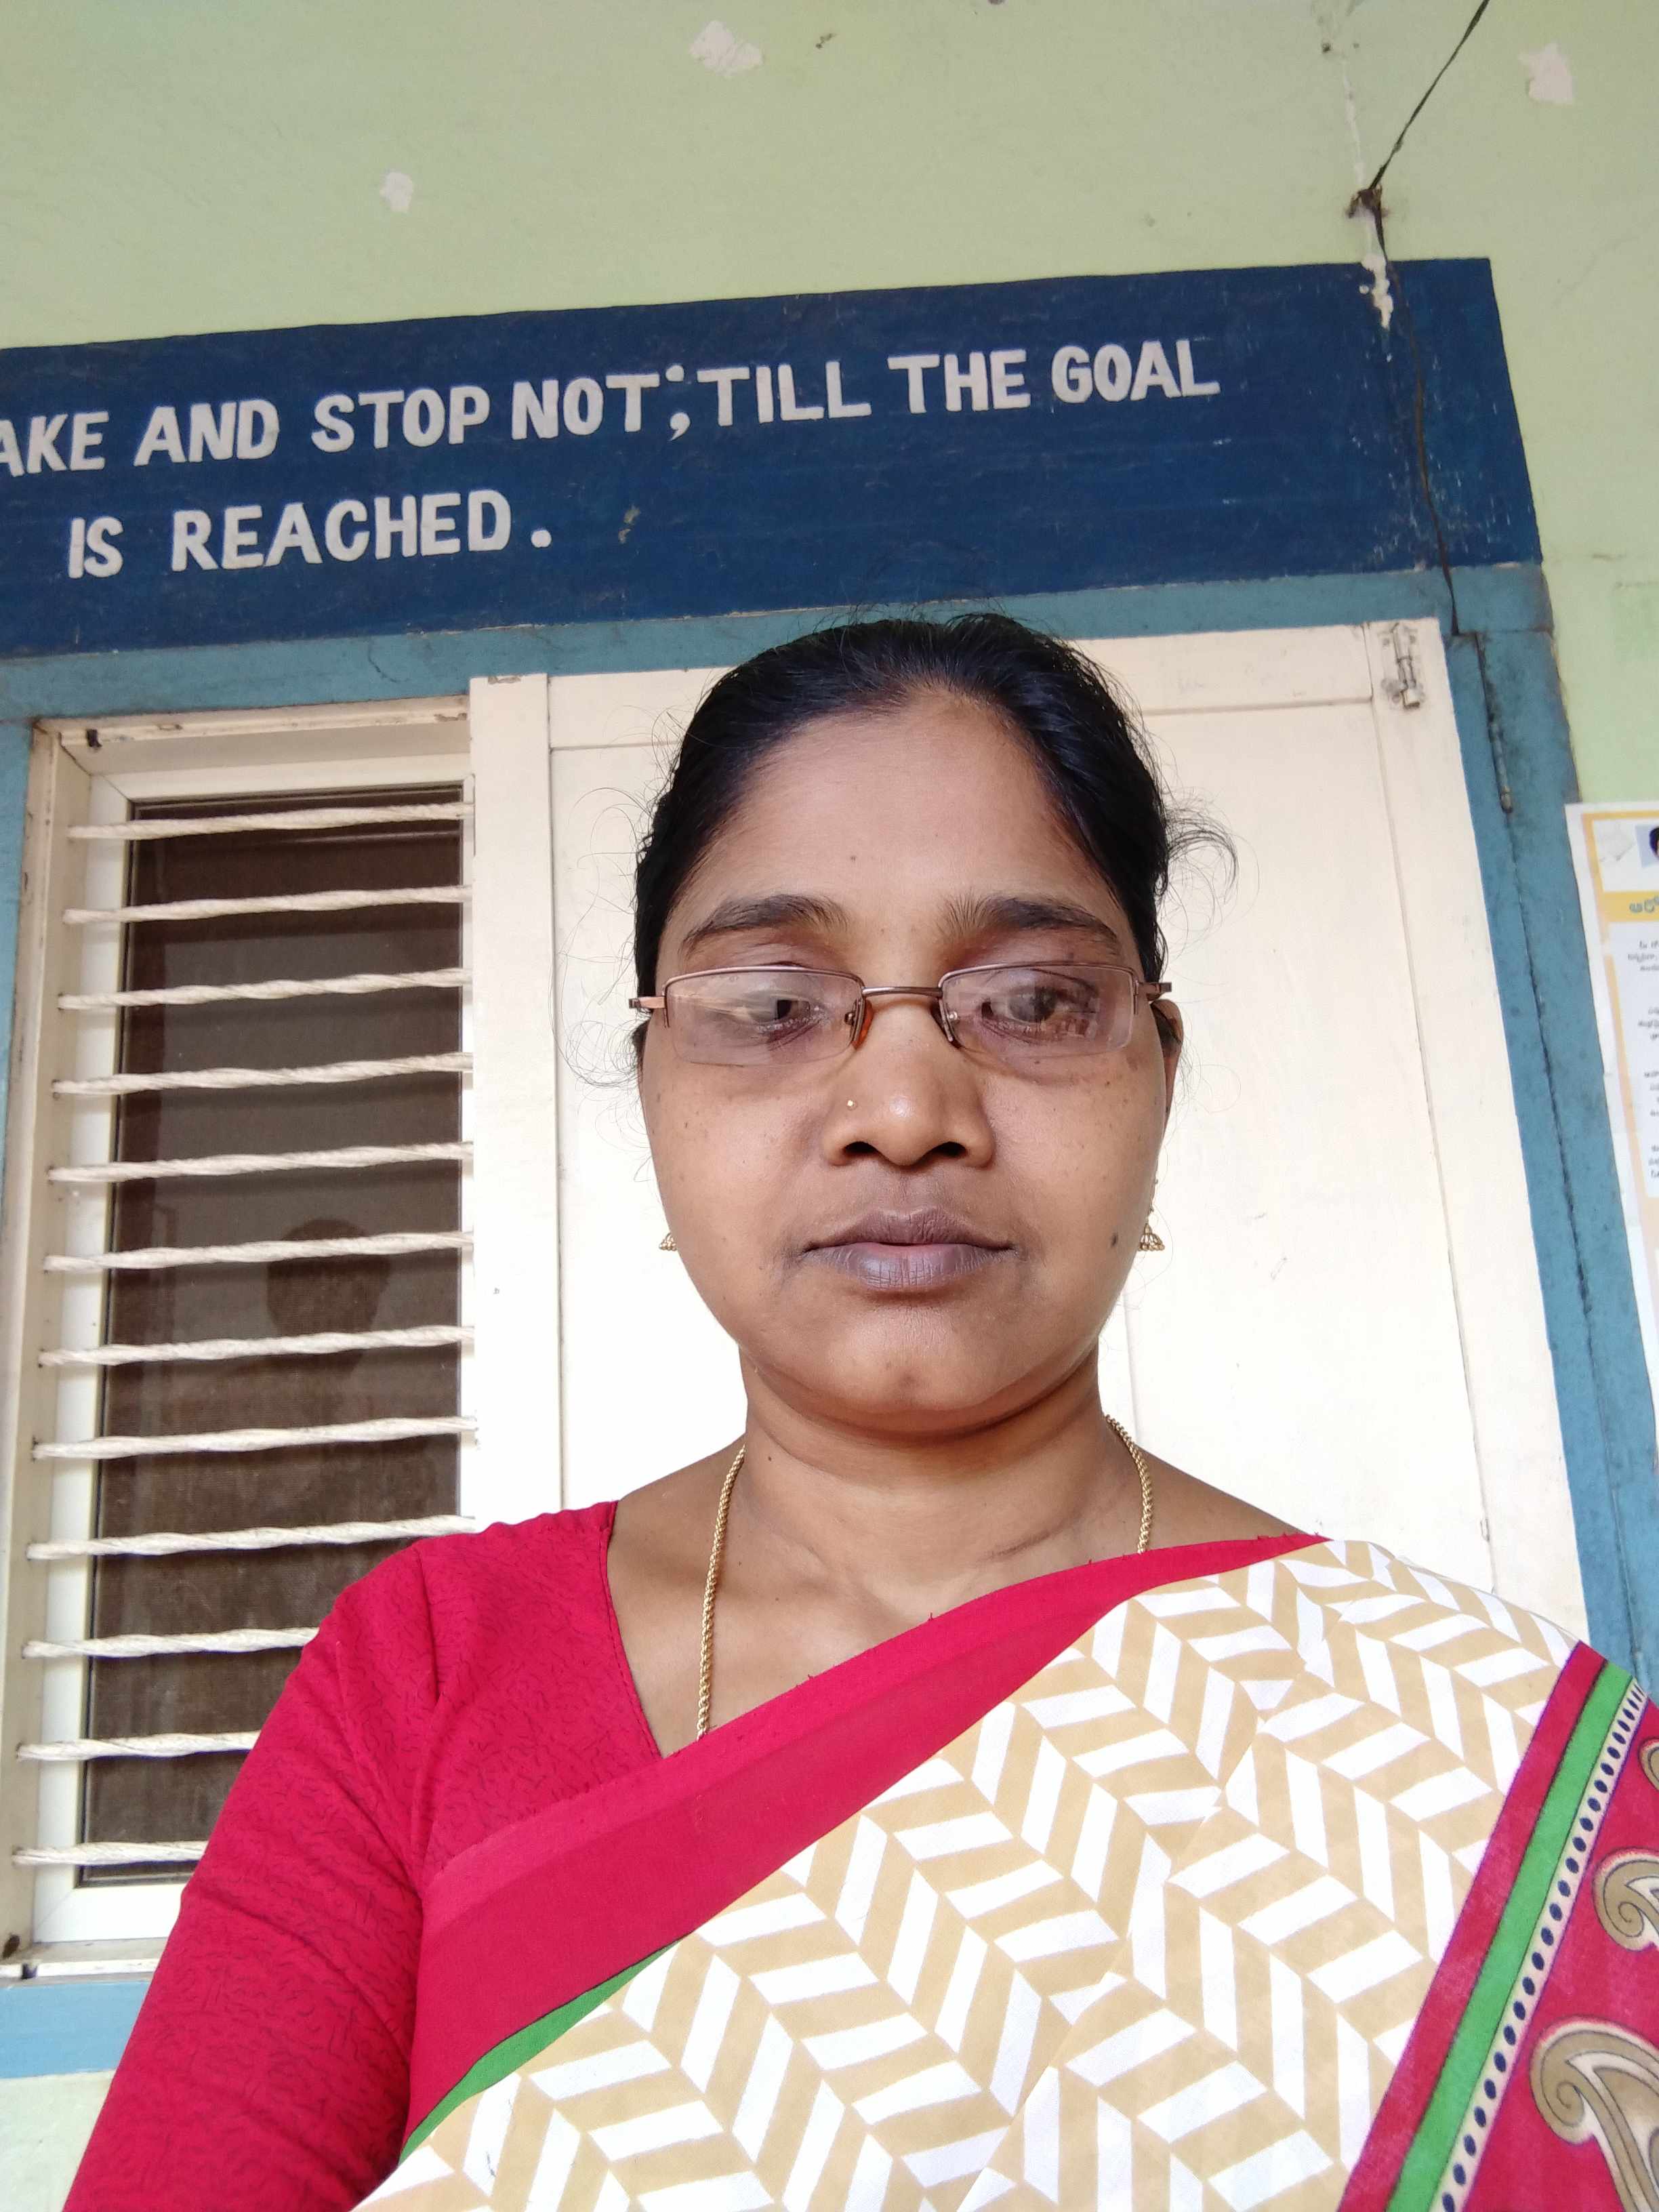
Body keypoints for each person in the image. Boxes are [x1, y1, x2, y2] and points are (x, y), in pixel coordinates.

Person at [69, 617, 1659, 2212]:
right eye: (774, 1004)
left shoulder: (1461, 1743)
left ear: (1158, 1071)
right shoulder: (427, 1679)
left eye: (1034, 1000)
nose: (905, 1113)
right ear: (654, 1079)